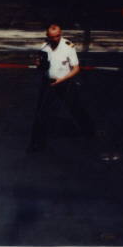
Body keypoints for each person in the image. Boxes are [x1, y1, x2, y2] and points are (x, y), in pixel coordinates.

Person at [28, 24, 95, 152]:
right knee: (41, 113)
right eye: (52, 37)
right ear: (48, 36)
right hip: (48, 82)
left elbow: (76, 68)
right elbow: (41, 66)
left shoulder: (68, 47)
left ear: (61, 34)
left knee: (76, 108)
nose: (55, 39)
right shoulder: (44, 47)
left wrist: (62, 80)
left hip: (64, 82)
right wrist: (38, 64)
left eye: (58, 36)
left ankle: (89, 131)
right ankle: (37, 144)